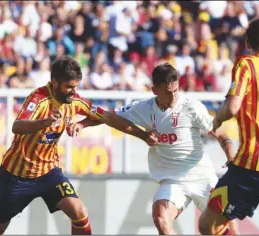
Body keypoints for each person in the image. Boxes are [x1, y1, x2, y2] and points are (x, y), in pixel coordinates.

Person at [0, 57, 159, 235]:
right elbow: (17, 126)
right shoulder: (38, 99)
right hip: (16, 176)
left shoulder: (76, 101)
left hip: (48, 173)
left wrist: (143, 135)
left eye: (76, 86)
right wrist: (45, 122)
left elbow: (108, 117)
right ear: (55, 83)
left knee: (79, 212)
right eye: (69, 87)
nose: (73, 91)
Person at [67, 63, 236, 235]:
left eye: (176, 90)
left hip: (201, 176)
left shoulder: (191, 107)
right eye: (167, 93)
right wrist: (82, 123)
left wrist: (231, 156)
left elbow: (221, 134)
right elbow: (109, 116)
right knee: (161, 219)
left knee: (220, 229)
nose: (173, 97)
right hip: (172, 180)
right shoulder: (145, 108)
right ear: (154, 90)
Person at [198, 18, 259, 235]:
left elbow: (232, 107)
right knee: (220, 222)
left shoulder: (247, 64)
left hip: (251, 164)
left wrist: (214, 121)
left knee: (207, 226)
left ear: (247, 43)